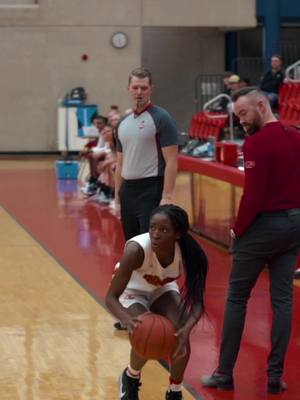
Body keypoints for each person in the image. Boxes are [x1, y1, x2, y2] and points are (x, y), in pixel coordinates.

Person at [201, 87, 300, 394]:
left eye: (244, 113)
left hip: (263, 226)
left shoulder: (256, 143)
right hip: (294, 223)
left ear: (261, 104)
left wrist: (238, 229)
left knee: (237, 297)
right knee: (282, 300)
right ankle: (274, 377)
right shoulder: (296, 136)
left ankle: (225, 373)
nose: (241, 121)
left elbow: (253, 195)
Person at [105, 204, 208, 400]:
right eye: (152, 227)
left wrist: (187, 329)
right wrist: (127, 320)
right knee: (146, 332)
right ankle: (130, 378)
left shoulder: (189, 253)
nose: (156, 234)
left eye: (163, 229)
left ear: (177, 234)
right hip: (131, 292)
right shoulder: (136, 250)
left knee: (180, 331)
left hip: (162, 288)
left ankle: (175, 391)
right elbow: (111, 298)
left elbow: (198, 303)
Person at [114, 67, 179, 241]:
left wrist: (167, 196)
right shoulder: (122, 122)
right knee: (132, 243)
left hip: (151, 190)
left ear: (151, 89)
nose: (139, 92)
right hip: (127, 191)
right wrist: (117, 197)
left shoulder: (161, 118)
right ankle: (137, 270)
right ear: (128, 89)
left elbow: (172, 160)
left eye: (143, 88)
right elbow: (120, 163)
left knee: (149, 243)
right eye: (135, 88)